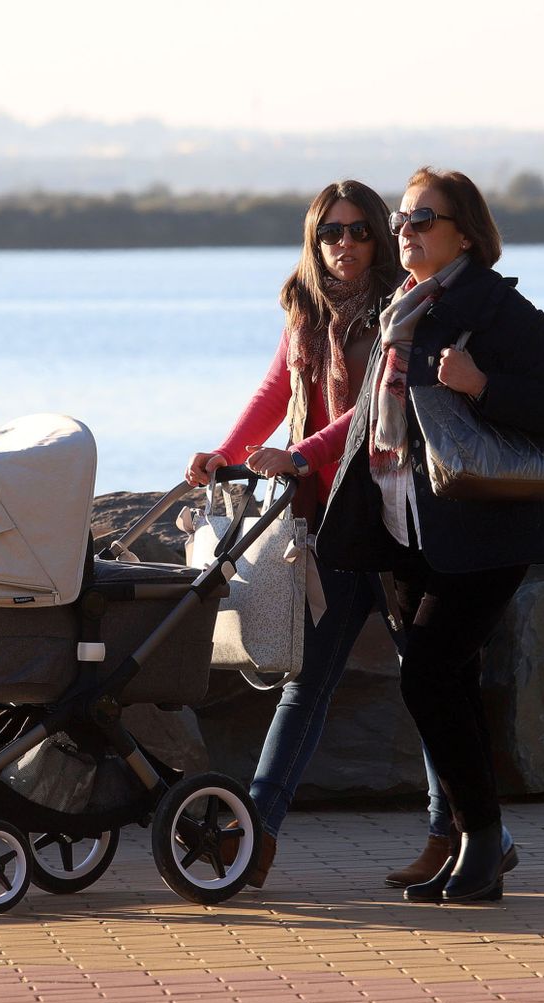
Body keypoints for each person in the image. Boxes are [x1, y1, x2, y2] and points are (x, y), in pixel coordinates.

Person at [316, 168, 544, 903]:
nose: (405, 231)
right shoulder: (401, 309)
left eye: (423, 219)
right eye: (401, 218)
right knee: (448, 680)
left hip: (484, 526)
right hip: (407, 529)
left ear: (466, 230)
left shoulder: (498, 308)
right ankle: (480, 840)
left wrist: (480, 384)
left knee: (426, 671)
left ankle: (485, 839)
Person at [186, 179, 456, 888]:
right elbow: (276, 392)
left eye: (359, 230)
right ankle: (256, 837)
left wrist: (303, 453)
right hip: (328, 524)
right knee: (305, 683)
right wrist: (225, 451)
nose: (344, 245)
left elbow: (371, 410)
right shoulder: (304, 311)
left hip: (396, 517)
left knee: (428, 680)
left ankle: (453, 833)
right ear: (314, 242)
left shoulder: (405, 310)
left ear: (379, 236)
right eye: (330, 233)